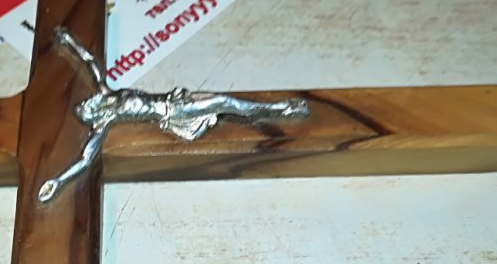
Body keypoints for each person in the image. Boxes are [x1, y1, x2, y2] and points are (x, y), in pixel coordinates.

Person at [38, 28, 310, 203]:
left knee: (225, 103)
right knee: (224, 103)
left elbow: (89, 61)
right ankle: (282, 110)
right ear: (92, 113)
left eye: (85, 102)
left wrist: (68, 40)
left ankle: (280, 109)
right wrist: (57, 181)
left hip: (174, 99)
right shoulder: (104, 122)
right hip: (174, 113)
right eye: (86, 107)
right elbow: (86, 159)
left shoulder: (105, 90)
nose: (87, 101)